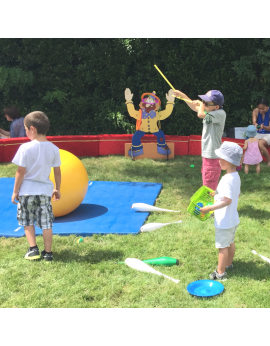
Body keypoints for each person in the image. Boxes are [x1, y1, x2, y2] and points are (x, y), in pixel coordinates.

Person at [11, 111, 61, 261]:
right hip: (45, 192)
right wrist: (57, 188)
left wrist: (15, 191)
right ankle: (48, 253)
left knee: (27, 220)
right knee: (46, 223)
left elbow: (20, 171)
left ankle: (33, 249)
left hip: (27, 192)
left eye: (25, 129)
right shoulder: (54, 148)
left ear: (32, 129)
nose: (25, 131)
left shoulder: (25, 148)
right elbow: (57, 171)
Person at [200, 142, 243, 281]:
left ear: (227, 161)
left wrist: (209, 208)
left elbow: (228, 200)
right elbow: (236, 195)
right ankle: (229, 264)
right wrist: (217, 195)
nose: (219, 161)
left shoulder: (225, 179)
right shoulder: (235, 176)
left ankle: (220, 273)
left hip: (224, 221)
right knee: (230, 242)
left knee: (222, 247)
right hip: (233, 219)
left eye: (221, 158)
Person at [173, 89, 226, 190]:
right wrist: (182, 95)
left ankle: (209, 204)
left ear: (217, 106)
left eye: (207, 102)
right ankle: (210, 204)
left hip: (212, 156)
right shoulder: (211, 111)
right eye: (204, 101)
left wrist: (201, 104)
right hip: (208, 155)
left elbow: (200, 114)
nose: (204, 104)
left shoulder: (220, 113)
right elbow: (196, 108)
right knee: (207, 184)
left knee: (208, 187)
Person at [252, 97, 270, 166]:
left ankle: (269, 161)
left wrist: (263, 127)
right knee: (249, 142)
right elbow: (254, 123)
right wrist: (255, 125)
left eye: (263, 108)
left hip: (268, 134)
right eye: (259, 108)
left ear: (267, 106)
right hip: (259, 133)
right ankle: (253, 160)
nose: (261, 110)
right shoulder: (255, 111)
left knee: (260, 143)